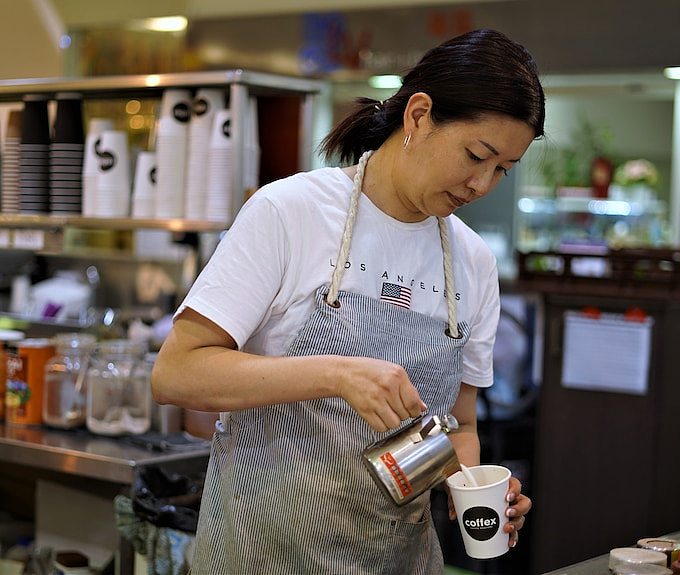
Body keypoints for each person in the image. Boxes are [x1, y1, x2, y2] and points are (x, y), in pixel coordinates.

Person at [151, 27, 545, 574]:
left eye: (503, 169)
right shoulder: (291, 212)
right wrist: (335, 374)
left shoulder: (473, 262)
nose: (482, 184)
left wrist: (476, 494)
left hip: (398, 561)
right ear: (418, 115)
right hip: (263, 556)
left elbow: (461, 427)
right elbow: (176, 373)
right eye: (476, 155)